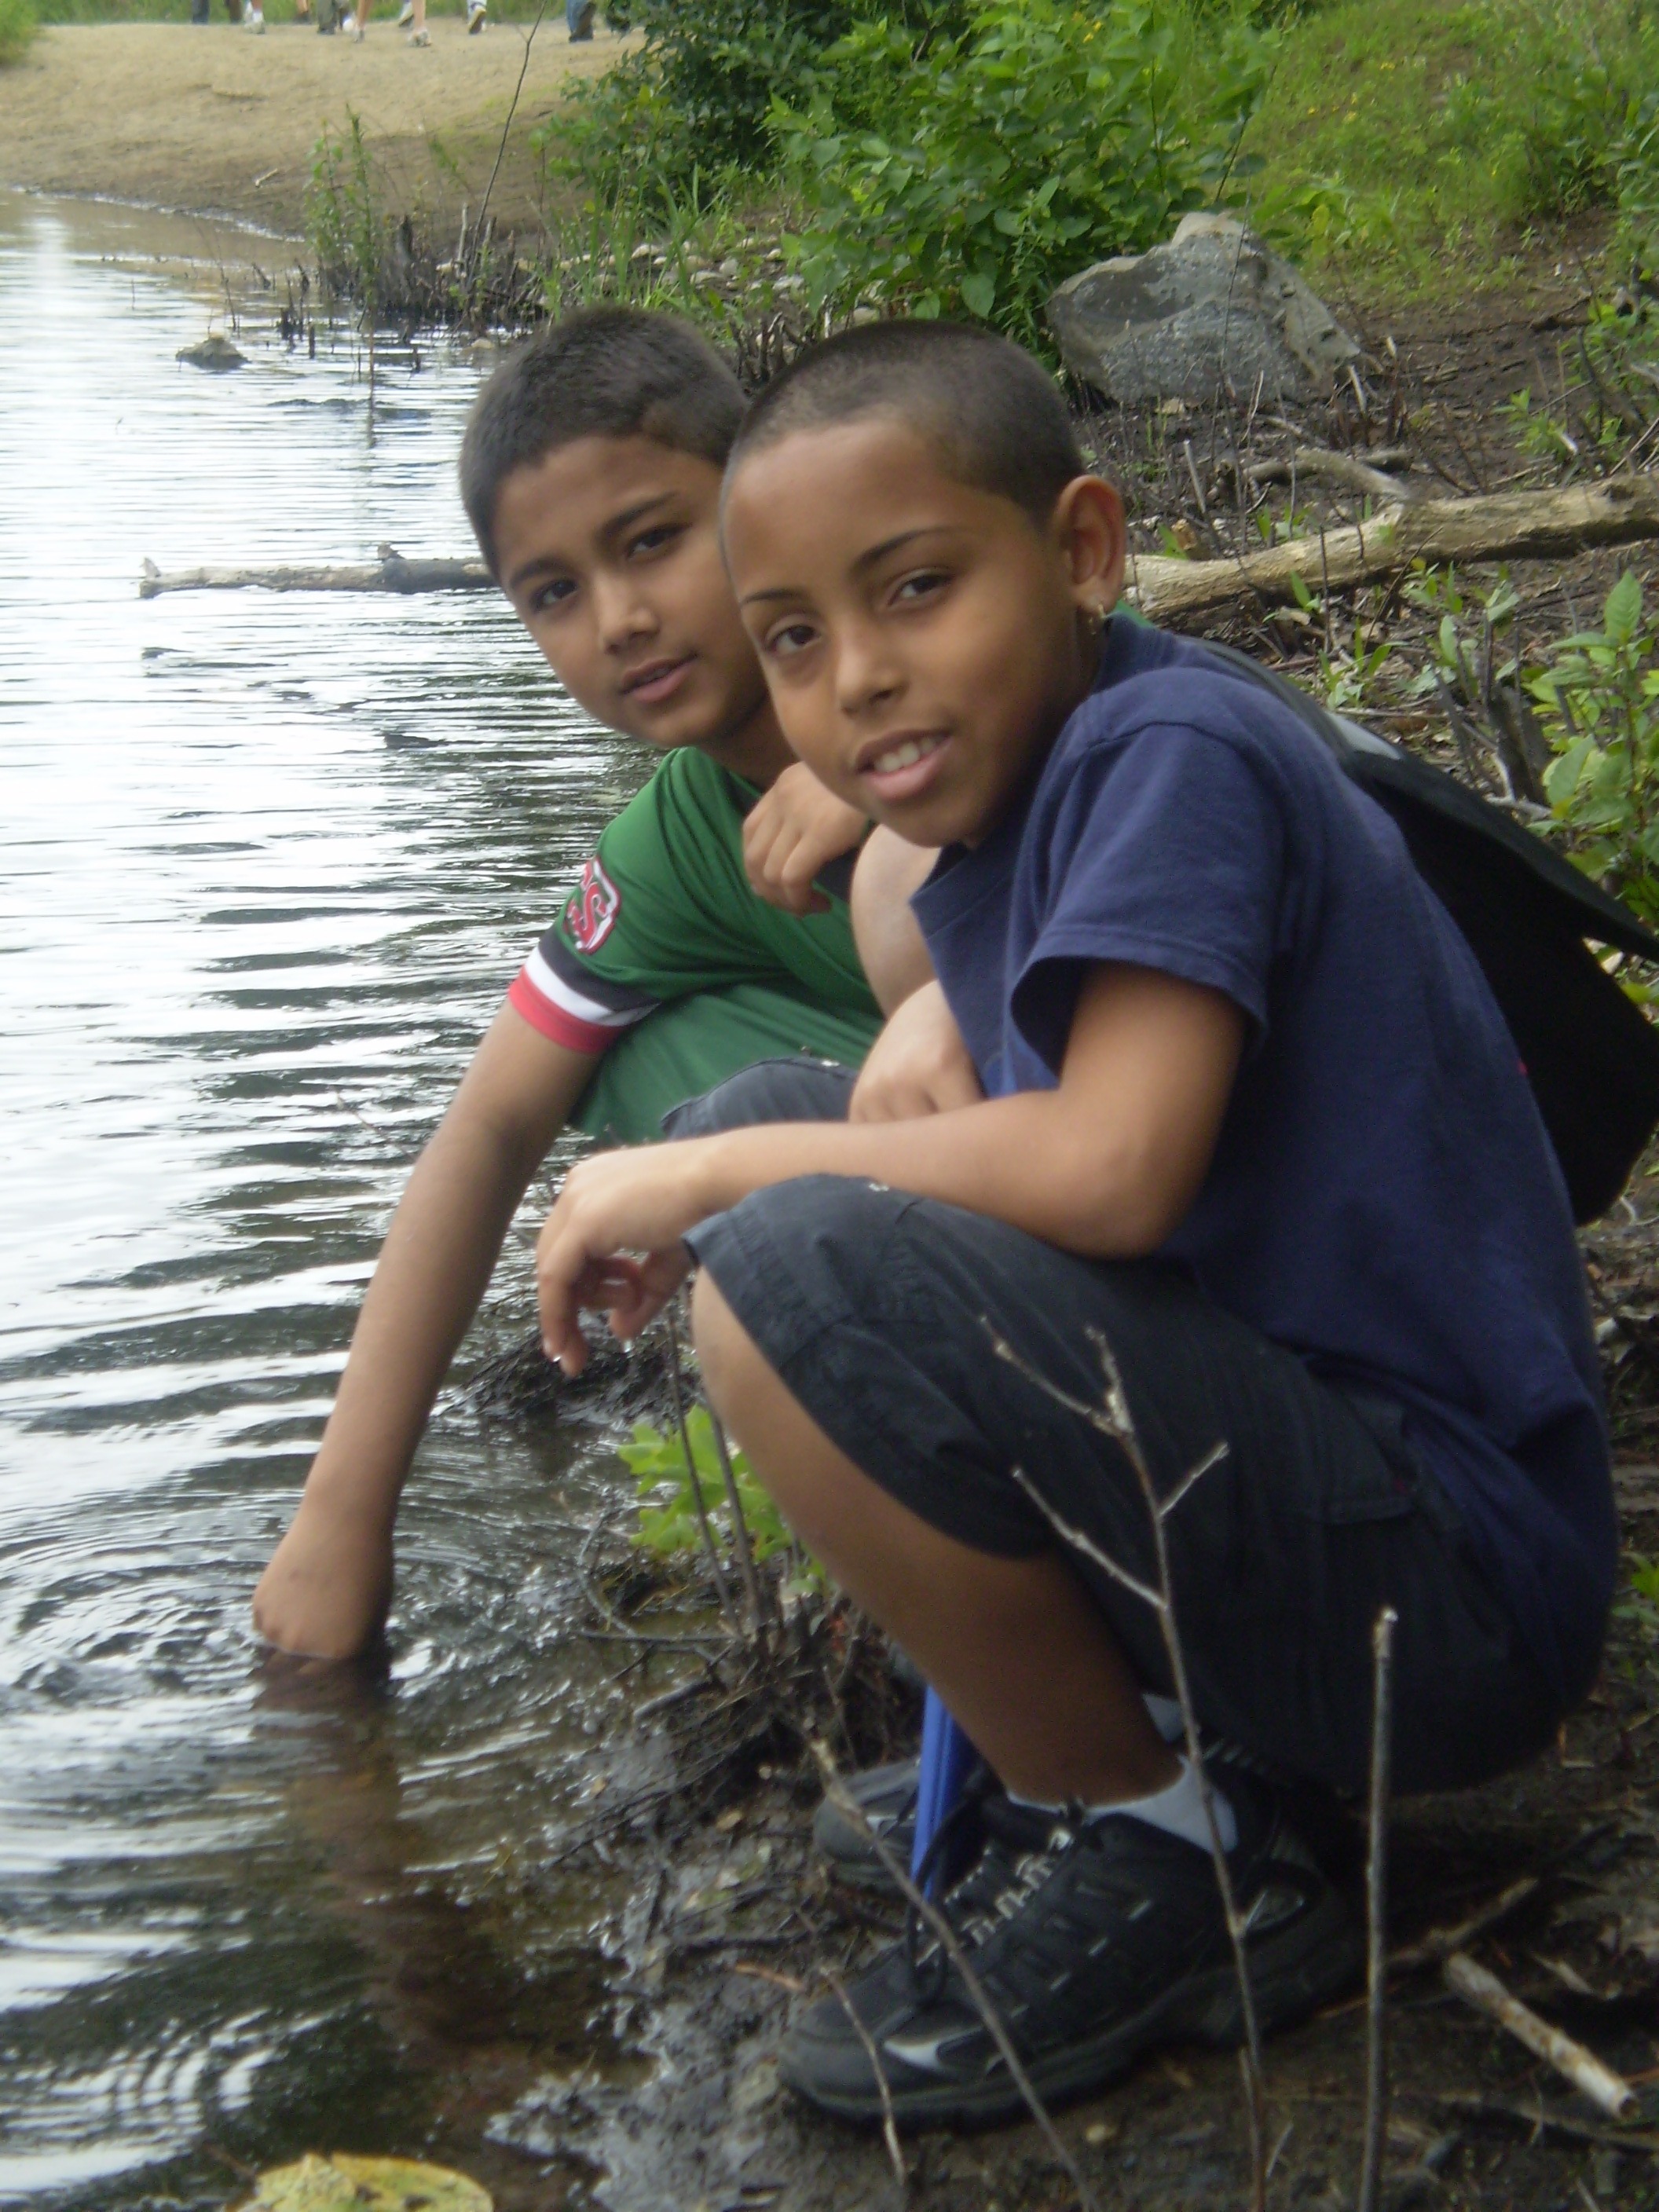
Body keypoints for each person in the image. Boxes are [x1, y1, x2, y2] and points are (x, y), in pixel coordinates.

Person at [530, 319, 1617, 2129]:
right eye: (797, 638)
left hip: (1445, 1597)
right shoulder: (1055, 773)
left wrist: (706, 1187)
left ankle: (1173, 1844)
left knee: (781, 1229)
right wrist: (804, 1116)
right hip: (1305, 1483)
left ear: (1088, 550)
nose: (860, 678)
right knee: (765, 1125)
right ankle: (1107, 1752)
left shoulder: (1172, 746)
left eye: (919, 588)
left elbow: (1116, 1171)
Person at [252, 309, 885, 1662]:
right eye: (552, 592)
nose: (620, 619)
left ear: (759, 498)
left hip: (1181, 1160)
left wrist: (887, 799)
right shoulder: (672, 842)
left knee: (727, 1109)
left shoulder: (954, 661)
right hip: (992, 1137)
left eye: (652, 539)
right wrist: (342, 1521)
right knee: (631, 1057)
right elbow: (482, 1132)